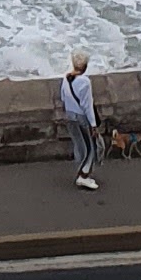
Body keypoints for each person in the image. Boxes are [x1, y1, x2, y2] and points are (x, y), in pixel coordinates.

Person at [57, 53, 102, 191]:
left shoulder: (66, 78)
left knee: (80, 145)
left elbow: (63, 98)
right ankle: (83, 176)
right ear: (85, 66)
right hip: (82, 117)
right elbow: (87, 105)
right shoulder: (85, 82)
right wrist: (93, 124)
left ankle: (82, 172)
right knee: (90, 147)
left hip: (70, 116)